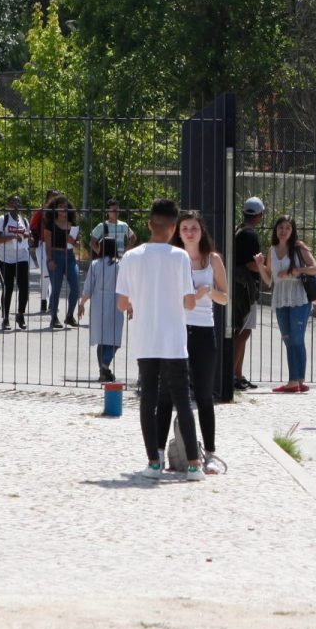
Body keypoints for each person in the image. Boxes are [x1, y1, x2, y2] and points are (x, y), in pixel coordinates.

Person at [115, 199, 202, 478]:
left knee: (148, 398)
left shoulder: (131, 257)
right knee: (182, 400)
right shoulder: (180, 257)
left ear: (150, 224)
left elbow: (121, 303)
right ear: (174, 227)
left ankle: (154, 462)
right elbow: (189, 302)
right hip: (173, 340)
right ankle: (193, 464)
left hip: (145, 338)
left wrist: (138, 301)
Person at [177, 212, 230, 474]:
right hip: (177, 329)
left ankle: (210, 452)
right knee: (175, 394)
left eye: (194, 228)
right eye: (185, 228)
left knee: (204, 394)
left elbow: (225, 298)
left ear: (202, 231)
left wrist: (208, 291)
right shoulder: (174, 258)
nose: (189, 232)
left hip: (204, 330)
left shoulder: (213, 260)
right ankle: (178, 450)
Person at [262, 214, 316, 394]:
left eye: (287, 227)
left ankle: (295, 380)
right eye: (280, 227)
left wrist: (296, 271)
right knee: (288, 340)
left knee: (296, 338)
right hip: (280, 298)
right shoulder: (271, 250)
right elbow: (269, 280)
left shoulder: (298, 248)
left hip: (298, 297)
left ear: (292, 230)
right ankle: (296, 381)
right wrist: (260, 265)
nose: (283, 231)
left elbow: (314, 269)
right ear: (276, 230)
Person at [230, 198, 266, 392]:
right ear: (260, 215)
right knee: (242, 332)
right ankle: (232, 374)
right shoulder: (250, 235)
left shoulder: (238, 230)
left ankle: (237, 374)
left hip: (238, 286)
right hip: (245, 288)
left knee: (242, 332)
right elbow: (251, 263)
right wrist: (265, 266)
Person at [79, 236, 124, 382]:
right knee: (114, 339)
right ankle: (104, 366)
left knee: (101, 339)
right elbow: (126, 287)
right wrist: (129, 305)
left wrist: (82, 303)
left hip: (98, 302)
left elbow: (88, 287)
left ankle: (103, 370)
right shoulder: (119, 265)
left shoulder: (95, 264)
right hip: (115, 302)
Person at [0, 195, 33, 331]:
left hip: (22, 257)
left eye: (18, 201)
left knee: (24, 288)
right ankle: (6, 318)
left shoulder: (24, 221)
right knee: (8, 287)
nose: (16, 203)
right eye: (13, 201)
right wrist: (11, 236)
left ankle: (20, 315)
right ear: (8, 204)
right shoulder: (3, 219)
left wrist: (28, 238)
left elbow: (31, 241)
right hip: (5, 258)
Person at [43, 195, 82, 330]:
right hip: (55, 255)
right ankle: (54, 317)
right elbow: (47, 245)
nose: (63, 209)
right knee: (56, 288)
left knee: (76, 286)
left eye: (65, 206)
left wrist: (75, 242)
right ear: (55, 208)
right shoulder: (50, 224)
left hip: (70, 257)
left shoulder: (74, 225)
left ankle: (70, 315)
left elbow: (78, 244)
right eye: (60, 206)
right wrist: (50, 259)